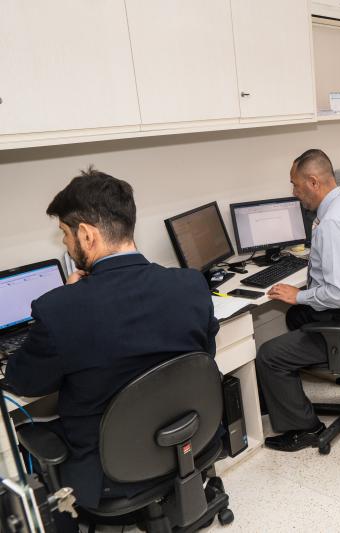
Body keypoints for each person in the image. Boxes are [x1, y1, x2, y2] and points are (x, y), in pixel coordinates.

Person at [1, 168, 219, 527]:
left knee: (31, 440)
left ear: (87, 235)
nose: (66, 245)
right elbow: (205, 356)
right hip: (187, 440)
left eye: (65, 234)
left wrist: (69, 299)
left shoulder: (59, 310)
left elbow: (22, 382)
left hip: (110, 473)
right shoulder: (190, 284)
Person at [256, 149, 340, 452]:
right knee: (295, 316)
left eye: (295, 184)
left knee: (269, 355)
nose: (293, 192)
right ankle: (289, 395)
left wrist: (299, 294)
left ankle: (305, 429)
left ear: (313, 182)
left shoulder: (332, 224)